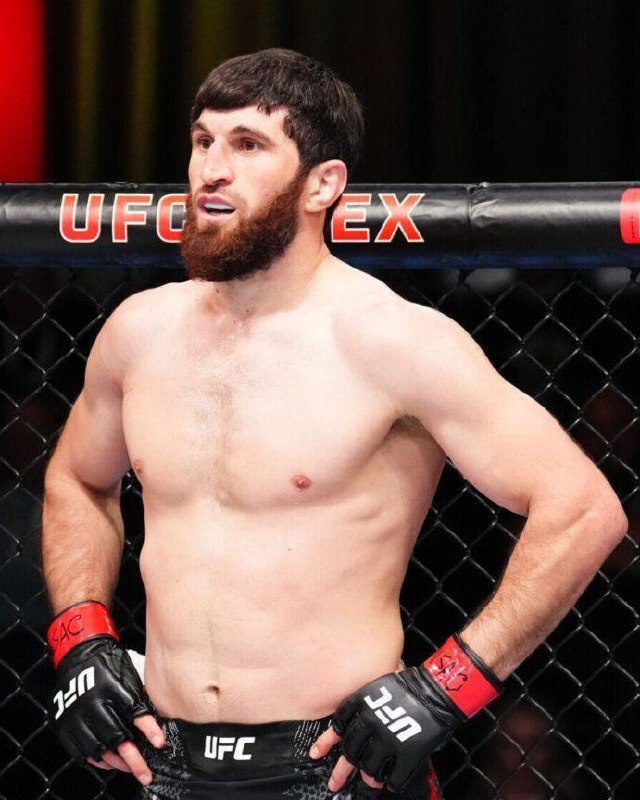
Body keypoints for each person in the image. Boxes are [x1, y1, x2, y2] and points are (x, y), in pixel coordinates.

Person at [41, 48, 627, 800]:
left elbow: (582, 510)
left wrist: (444, 689)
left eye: (248, 145)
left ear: (322, 184)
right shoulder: (139, 332)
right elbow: (78, 480)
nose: (212, 170)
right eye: (203, 141)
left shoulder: (390, 340)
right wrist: (81, 640)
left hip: (337, 765)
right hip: (164, 757)